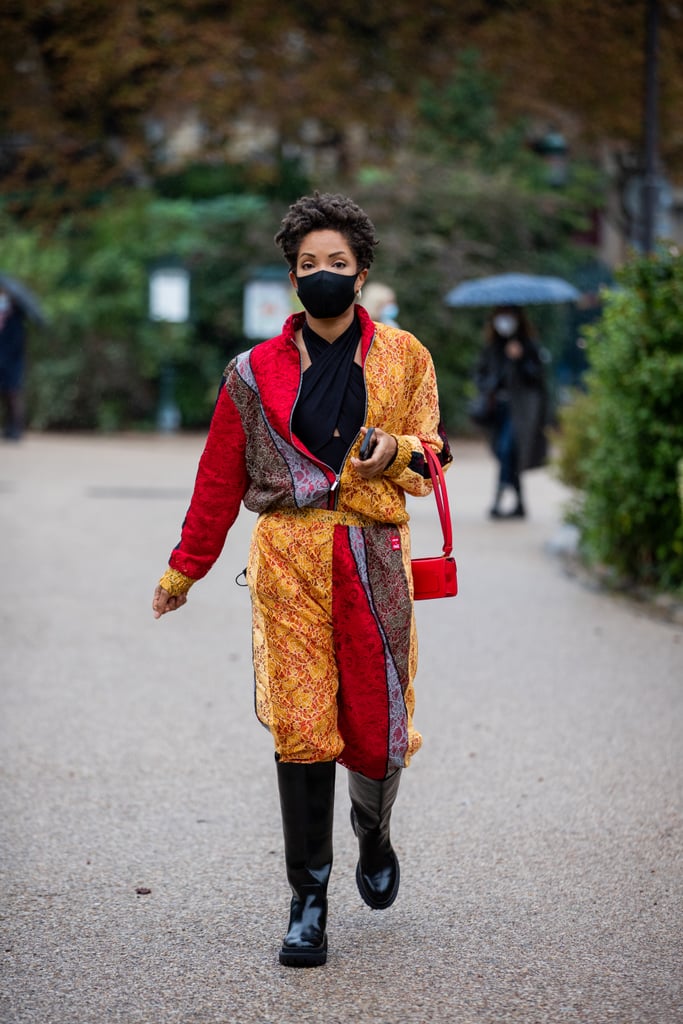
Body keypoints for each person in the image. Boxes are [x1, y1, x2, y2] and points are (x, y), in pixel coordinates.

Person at [152, 192, 452, 968]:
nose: (323, 274)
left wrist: (399, 454)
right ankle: (307, 901)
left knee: (379, 728)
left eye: (338, 263)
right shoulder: (250, 374)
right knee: (303, 723)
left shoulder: (404, 356)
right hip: (288, 561)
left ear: (360, 275)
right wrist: (186, 567)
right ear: (292, 277)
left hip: (374, 558)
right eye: (309, 263)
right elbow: (219, 477)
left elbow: (433, 457)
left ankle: (373, 830)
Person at [473, 304, 547, 518]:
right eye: (501, 316)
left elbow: (538, 377)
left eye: (509, 316)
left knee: (508, 450)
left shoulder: (528, 346)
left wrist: (520, 358)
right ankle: (520, 504)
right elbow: (481, 375)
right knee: (507, 454)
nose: (504, 321)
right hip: (498, 409)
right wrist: (492, 384)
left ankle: (498, 498)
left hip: (522, 410)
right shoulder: (492, 347)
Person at [0, 289, 27, 441]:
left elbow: (18, 343)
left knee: (13, 395)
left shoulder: (17, 318)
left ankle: (16, 429)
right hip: (2, 360)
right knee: (5, 396)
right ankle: (8, 428)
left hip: (12, 362)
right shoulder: (2, 318)